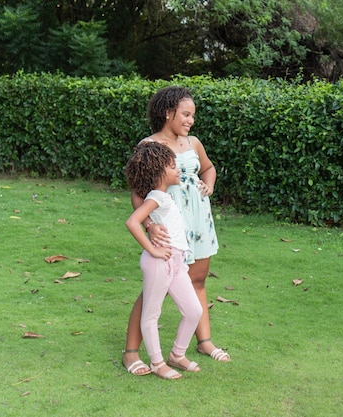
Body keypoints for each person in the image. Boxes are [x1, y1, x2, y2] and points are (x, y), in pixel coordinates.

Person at [122, 86, 229, 377]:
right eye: (186, 114)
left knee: (198, 280)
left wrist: (210, 184)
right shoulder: (149, 145)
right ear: (168, 112)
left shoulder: (193, 143)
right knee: (153, 290)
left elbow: (208, 168)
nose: (191, 120)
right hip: (167, 227)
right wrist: (149, 224)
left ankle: (204, 342)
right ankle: (131, 352)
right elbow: (137, 193)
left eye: (192, 115)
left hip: (198, 223)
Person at [125, 141, 203, 380]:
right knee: (151, 314)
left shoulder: (163, 196)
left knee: (194, 310)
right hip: (160, 262)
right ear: (160, 172)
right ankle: (157, 363)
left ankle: (177, 355)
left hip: (176, 262)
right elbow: (132, 222)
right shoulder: (157, 196)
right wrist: (153, 250)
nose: (177, 169)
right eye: (172, 166)